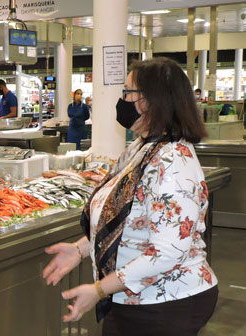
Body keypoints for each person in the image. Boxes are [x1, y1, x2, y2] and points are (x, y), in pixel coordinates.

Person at [42, 57, 216, 336]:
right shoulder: (142, 147)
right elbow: (124, 218)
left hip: (164, 303)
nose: (121, 101)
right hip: (135, 299)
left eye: (127, 93)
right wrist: (80, 249)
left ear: (148, 101)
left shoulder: (172, 162)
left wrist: (98, 290)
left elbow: (167, 253)